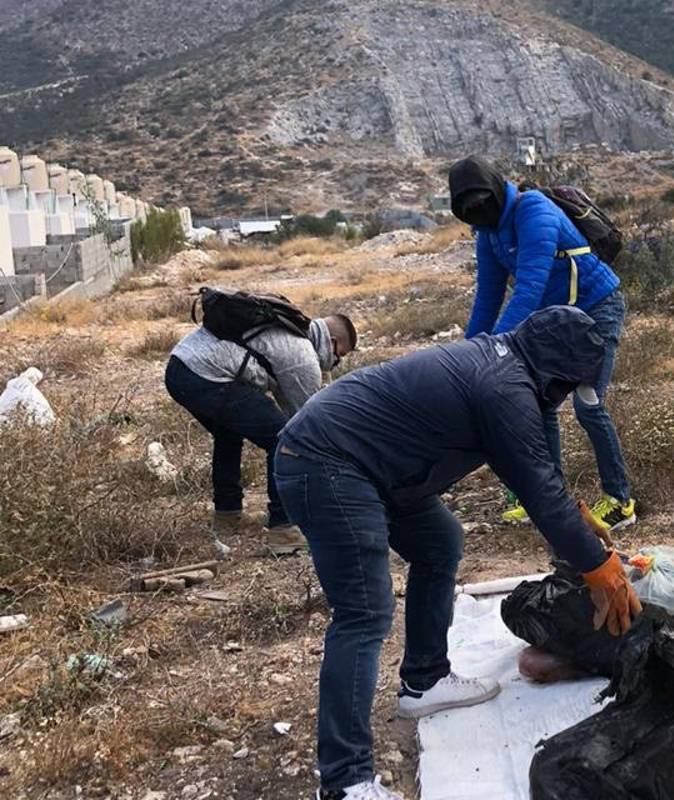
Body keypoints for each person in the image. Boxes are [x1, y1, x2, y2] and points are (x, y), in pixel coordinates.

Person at [273, 305, 641, 800]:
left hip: (376, 466)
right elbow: (538, 491)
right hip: (327, 462)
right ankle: (344, 782)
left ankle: (424, 681)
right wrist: (599, 566)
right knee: (364, 612)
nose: (565, 396)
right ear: (557, 373)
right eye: (569, 386)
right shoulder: (504, 387)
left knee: (440, 542)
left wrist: (577, 518)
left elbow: (538, 468)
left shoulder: (510, 368)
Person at [448, 156, 636, 534]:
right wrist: (465, 356)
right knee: (541, 404)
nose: (479, 211)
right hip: (558, 323)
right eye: (469, 209)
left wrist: (492, 350)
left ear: (496, 189)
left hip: (597, 309)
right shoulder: (489, 234)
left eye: (483, 202)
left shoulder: (534, 210)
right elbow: (487, 297)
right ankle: (550, 495)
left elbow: (529, 290)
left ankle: (620, 500)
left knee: (588, 404)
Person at [165, 309, 357, 556]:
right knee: (284, 442)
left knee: (228, 432)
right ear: (331, 342)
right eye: (339, 355)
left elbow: (290, 408)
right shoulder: (303, 357)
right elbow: (304, 426)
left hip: (179, 369)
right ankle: (283, 530)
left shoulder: (288, 331)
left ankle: (227, 514)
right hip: (204, 375)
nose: (335, 363)